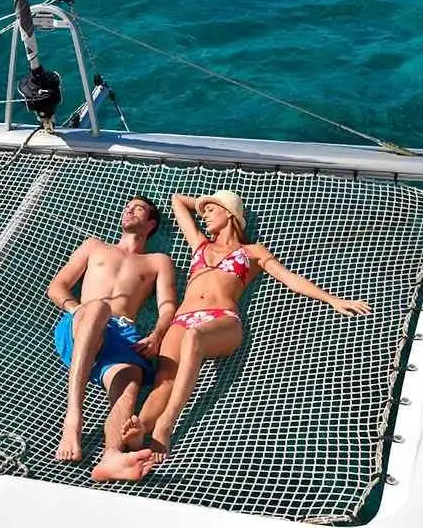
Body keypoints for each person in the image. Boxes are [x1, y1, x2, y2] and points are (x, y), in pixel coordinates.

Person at [135, 190, 372, 466]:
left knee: (195, 337)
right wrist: (206, 201)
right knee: (163, 383)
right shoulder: (200, 244)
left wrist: (332, 299)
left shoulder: (253, 252)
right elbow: (177, 200)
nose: (204, 216)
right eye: (204, 212)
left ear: (230, 214)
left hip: (220, 318)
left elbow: (290, 278)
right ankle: (139, 429)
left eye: (211, 210)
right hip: (182, 319)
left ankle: (166, 422)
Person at [46, 195, 178, 482]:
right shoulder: (94, 246)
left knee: (130, 383)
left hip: (123, 333)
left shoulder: (157, 261)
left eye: (138, 208)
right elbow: (57, 286)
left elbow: (167, 305)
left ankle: (112, 456)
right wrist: (79, 310)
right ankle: (73, 420)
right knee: (99, 308)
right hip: (83, 320)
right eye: (127, 207)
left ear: (151, 223)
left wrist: (156, 335)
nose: (129, 210)